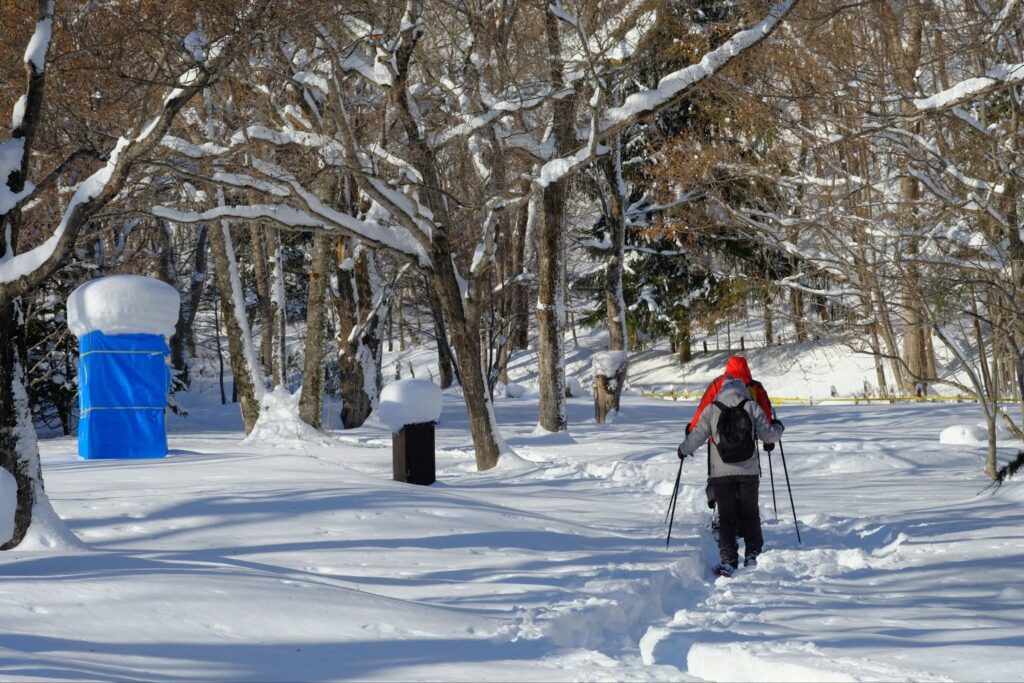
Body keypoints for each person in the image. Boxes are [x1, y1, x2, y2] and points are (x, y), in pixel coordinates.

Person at [677, 376, 784, 574]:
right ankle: (753, 554)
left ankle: (729, 560)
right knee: (750, 513)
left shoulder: (712, 408)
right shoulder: (750, 406)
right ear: (742, 390)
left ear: (722, 391)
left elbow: (698, 436)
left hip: (721, 472)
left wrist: (683, 449)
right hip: (748, 470)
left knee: (727, 516)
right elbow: (768, 435)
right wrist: (778, 426)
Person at [687, 356, 776, 511]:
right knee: (745, 478)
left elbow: (704, 411)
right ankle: (744, 514)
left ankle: (719, 508)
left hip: (718, 444)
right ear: (747, 369)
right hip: (747, 443)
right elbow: (765, 414)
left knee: (719, 476)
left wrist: (691, 430)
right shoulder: (755, 387)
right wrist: (768, 441)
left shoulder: (718, 384)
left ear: (727, 369)